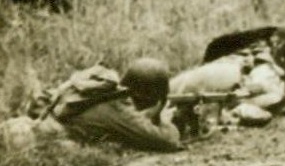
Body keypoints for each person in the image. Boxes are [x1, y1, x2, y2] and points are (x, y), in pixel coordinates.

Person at [26, 57, 183, 152]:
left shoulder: (104, 92)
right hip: (36, 138)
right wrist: (165, 120)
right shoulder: (120, 108)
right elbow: (167, 142)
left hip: (36, 126)